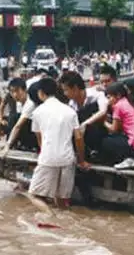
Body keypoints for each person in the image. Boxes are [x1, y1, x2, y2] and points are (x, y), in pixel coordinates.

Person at [28, 77, 89, 208]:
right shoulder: (70, 111)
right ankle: (63, 223)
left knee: (34, 195)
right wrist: (82, 160)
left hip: (48, 158)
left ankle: (50, 217)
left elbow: (40, 140)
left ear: (41, 93)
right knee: (62, 200)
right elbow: (78, 138)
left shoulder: (37, 112)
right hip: (67, 158)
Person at [102, 82, 134, 169]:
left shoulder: (118, 106)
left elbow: (113, 129)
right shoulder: (129, 101)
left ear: (118, 95)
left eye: (109, 98)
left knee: (106, 141)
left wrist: (103, 122)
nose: (108, 101)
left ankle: (133, 159)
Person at [59, 71, 109, 155]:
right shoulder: (71, 104)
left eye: (66, 90)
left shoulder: (96, 94)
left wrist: (85, 123)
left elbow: (103, 111)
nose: (65, 94)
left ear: (75, 88)